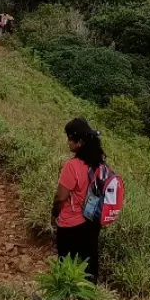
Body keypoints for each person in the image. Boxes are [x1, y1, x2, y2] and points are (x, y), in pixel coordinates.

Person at [51, 117, 106, 283]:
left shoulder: (72, 166)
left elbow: (61, 197)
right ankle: (88, 295)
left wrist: (54, 216)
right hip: (92, 221)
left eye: (70, 138)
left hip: (71, 223)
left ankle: (65, 295)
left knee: (66, 264)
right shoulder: (100, 162)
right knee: (89, 260)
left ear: (80, 142)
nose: (68, 142)